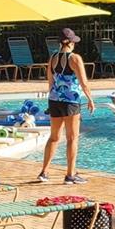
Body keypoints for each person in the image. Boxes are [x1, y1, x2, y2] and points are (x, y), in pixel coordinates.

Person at [36, 27, 95, 184]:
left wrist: (51, 99)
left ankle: (44, 172)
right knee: (72, 138)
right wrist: (90, 99)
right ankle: (70, 175)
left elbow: (50, 82)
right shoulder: (75, 58)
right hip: (71, 101)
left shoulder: (53, 58)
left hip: (54, 100)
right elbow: (84, 82)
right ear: (71, 43)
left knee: (54, 137)